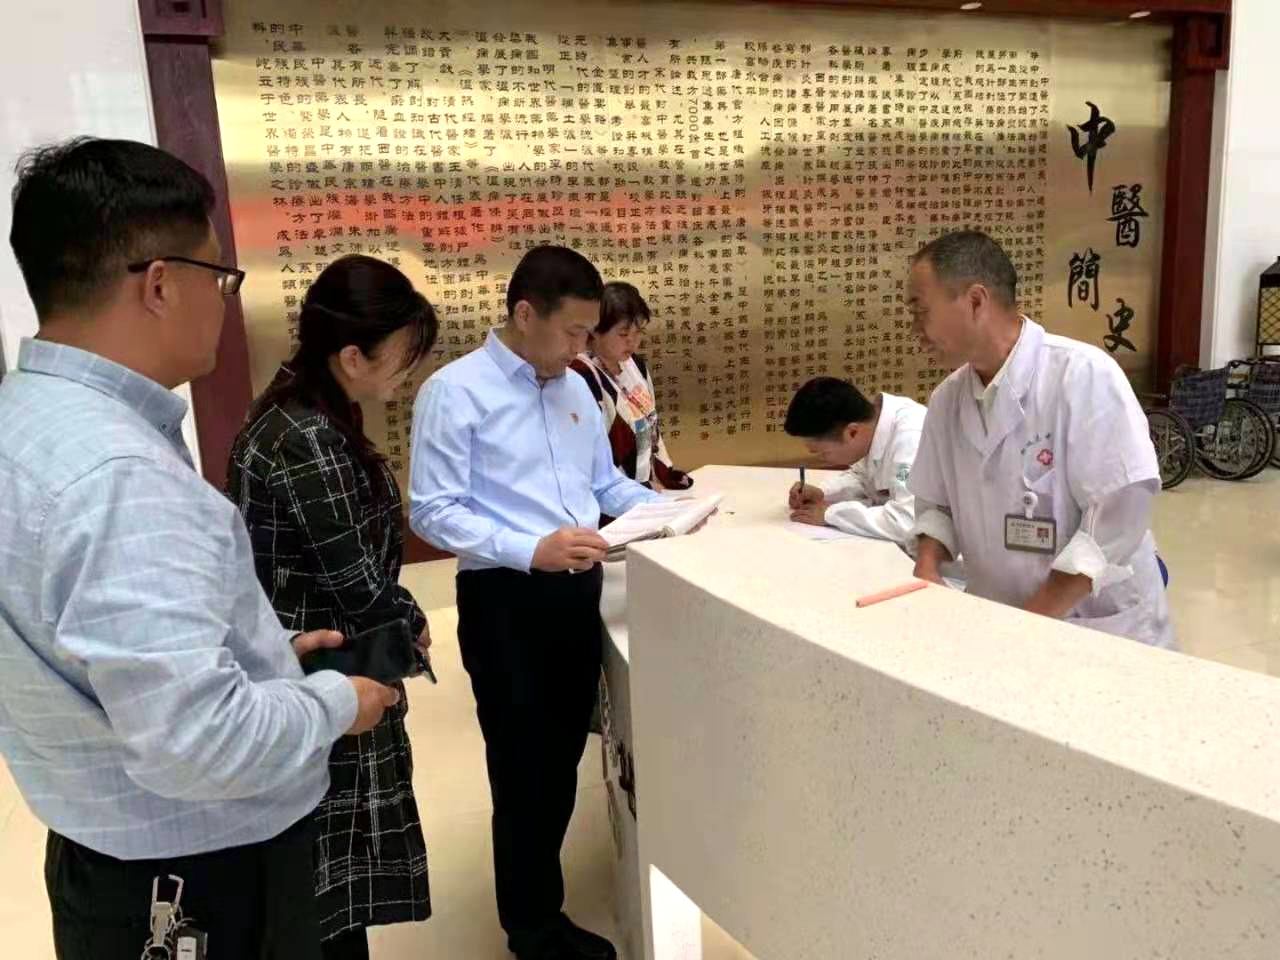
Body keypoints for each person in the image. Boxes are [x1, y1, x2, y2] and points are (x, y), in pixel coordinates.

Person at [0, 137, 400, 960]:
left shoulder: (27, 420)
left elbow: (100, 651)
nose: (224, 302)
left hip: (106, 854)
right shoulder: (121, 473)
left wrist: (261, 657)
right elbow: (198, 743)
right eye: (219, 278)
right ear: (159, 284)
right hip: (198, 877)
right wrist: (337, 704)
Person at [409, 245, 660, 960]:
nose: (583, 347)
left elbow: (604, 487)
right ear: (525, 314)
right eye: (574, 331)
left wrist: (671, 511)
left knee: (562, 760)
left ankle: (541, 907)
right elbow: (432, 510)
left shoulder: (575, 387)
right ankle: (531, 927)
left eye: (588, 332)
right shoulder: (455, 392)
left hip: (577, 590)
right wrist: (530, 548)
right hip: (506, 601)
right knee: (523, 771)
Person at [226, 255, 438, 960]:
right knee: (327, 884)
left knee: (321, 885)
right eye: (402, 357)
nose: (408, 373)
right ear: (352, 356)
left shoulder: (293, 412)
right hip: (325, 668)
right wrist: (408, 621)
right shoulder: (308, 437)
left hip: (310, 661)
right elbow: (354, 580)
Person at [904, 229, 1174, 648]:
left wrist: (1031, 624)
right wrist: (928, 565)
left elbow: (1116, 521)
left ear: (976, 301)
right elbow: (936, 506)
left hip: (1091, 624)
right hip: (1004, 623)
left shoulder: (1083, 377)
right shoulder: (947, 399)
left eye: (921, 311)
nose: (914, 329)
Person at [569, 281, 691, 491]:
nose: (632, 342)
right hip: (615, 494)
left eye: (638, 332)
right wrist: (636, 489)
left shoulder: (635, 365)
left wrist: (664, 472)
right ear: (595, 330)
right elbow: (592, 455)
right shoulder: (581, 375)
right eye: (623, 334)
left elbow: (652, 423)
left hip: (647, 486)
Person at [783, 376, 925, 543]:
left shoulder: (911, 440)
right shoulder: (873, 423)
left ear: (852, 432)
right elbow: (863, 476)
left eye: (822, 453)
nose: (823, 459)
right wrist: (824, 493)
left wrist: (831, 514)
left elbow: (907, 521)